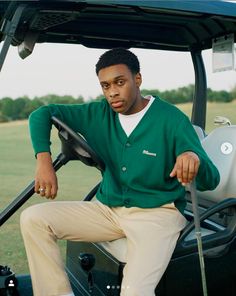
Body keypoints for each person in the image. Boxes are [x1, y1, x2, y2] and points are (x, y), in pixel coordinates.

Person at [20, 48, 220, 296]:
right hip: (107, 209)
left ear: (137, 79)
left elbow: (211, 178)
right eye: (105, 86)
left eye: (120, 82)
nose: (112, 92)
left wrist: (192, 158)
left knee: (134, 290)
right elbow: (43, 113)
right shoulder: (99, 113)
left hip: (157, 214)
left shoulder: (170, 119)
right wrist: (44, 160)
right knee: (34, 219)